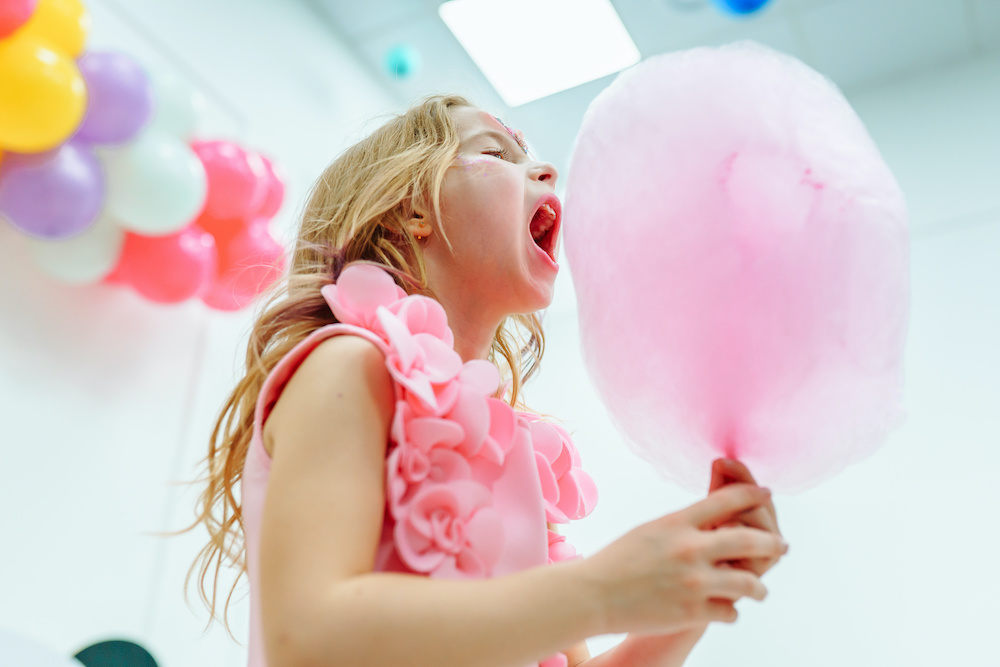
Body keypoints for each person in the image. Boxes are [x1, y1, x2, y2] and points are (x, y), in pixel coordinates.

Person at [187, 94, 788, 667]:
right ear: (413, 209)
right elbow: (308, 641)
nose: (545, 169)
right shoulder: (347, 364)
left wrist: (691, 590)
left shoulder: (512, 447)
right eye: (499, 154)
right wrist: (606, 588)